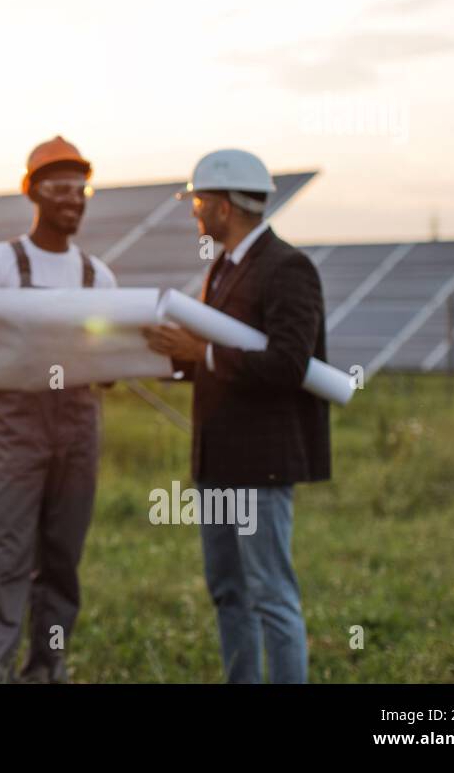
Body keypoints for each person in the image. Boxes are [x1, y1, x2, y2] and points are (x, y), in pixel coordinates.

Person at [142, 148, 331, 684]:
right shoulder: (223, 269)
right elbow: (218, 362)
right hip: (218, 460)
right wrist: (170, 353)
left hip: (261, 464)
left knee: (270, 594)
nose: (194, 211)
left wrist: (198, 352)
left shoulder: (288, 268)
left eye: (199, 201)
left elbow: (289, 364)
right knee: (229, 590)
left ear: (224, 207)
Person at [0, 135, 117, 683]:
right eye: (59, 188)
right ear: (32, 192)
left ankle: (46, 671)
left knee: (62, 559)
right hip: (18, 425)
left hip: (80, 424)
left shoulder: (100, 276)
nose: (73, 198)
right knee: (5, 559)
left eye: (81, 189)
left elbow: (110, 371)